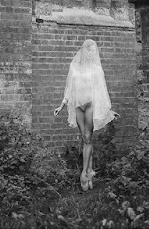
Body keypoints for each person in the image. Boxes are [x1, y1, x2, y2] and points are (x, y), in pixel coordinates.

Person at [54, 39, 119, 191]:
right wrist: (61, 106)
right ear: (82, 50)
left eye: (93, 51)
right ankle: (90, 171)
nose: (90, 53)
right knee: (85, 138)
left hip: (90, 104)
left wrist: (108, 110)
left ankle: (83, 174)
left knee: (88, 138)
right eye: (88, 50)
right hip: (78, 105)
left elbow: (101, 91)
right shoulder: (74, 66)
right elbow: (69, 88)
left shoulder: (96, 69)